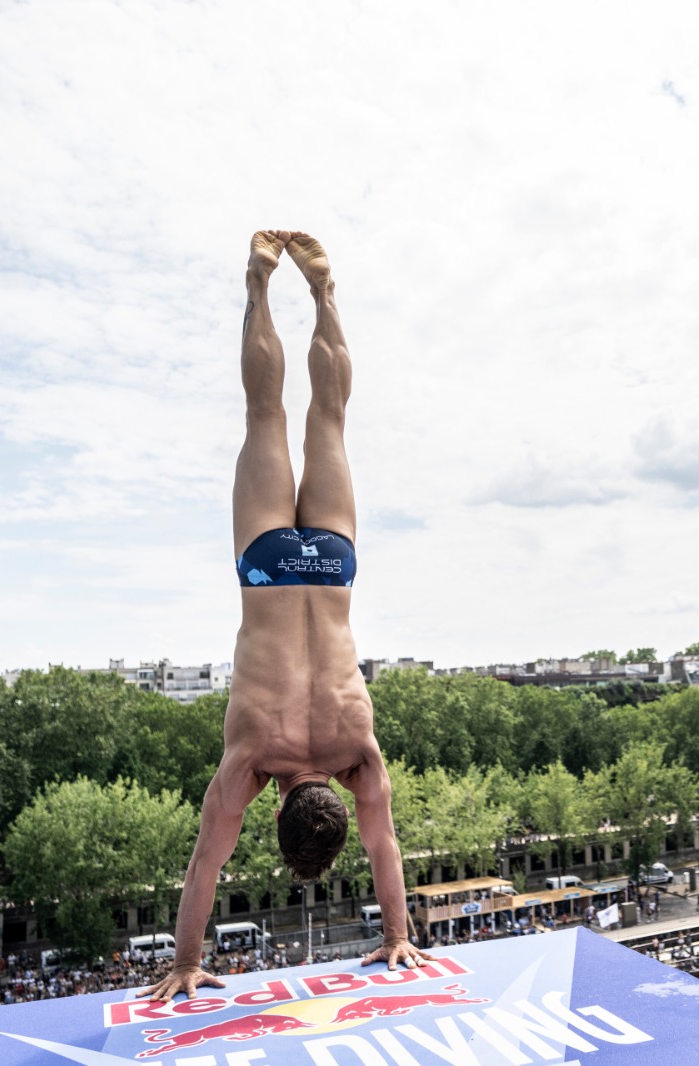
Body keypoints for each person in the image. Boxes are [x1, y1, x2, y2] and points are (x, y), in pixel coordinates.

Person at [142, 231, 431, 1002]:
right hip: (268, 565)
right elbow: (205, 864)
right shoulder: (251, 756)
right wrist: (185, 961)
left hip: (330, 567)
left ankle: (325, 291)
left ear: (333, 798)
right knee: (265, 412)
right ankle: (259, 285)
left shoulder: (361, 753)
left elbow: (385, 849)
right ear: (274, 805)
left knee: (330, 419)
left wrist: (400, 935)